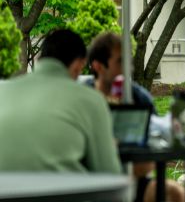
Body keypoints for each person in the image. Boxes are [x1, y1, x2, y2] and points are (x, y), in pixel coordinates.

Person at [86, 32, 185, 202]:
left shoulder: (139, 98)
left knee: (174, 194)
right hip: (89, 186)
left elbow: (150, 155)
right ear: (98, 66)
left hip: (131, 182)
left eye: (128, 61)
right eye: (120, 62)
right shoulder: (81, 98)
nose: (128, 68)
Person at [0, 29, 121, 174]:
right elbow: (109, 173)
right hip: (63, 195)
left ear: (39, 60)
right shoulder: (91, 100)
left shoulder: (3, 91)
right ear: (78, 65)